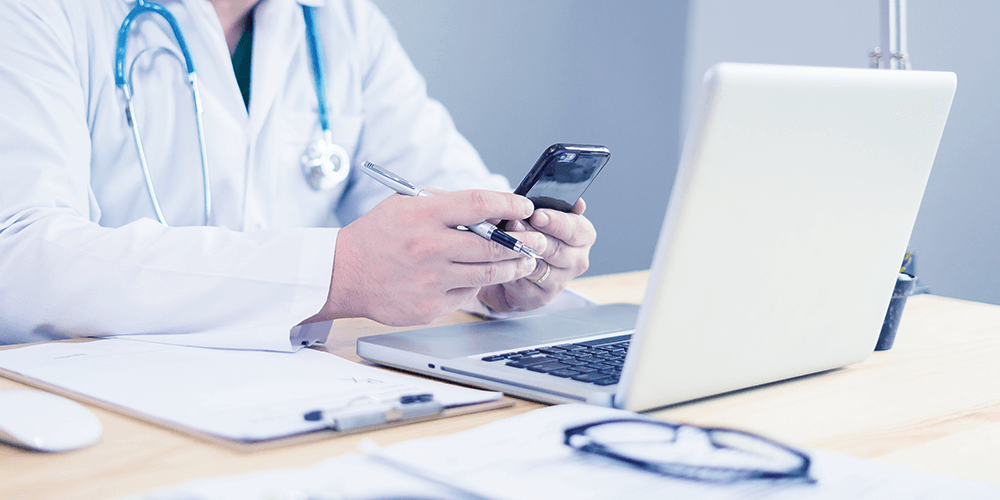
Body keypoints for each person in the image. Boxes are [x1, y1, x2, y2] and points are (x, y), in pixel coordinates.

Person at [0, 0, 596, 350]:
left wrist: (500, 266)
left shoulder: (338, 19)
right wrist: (337, 273)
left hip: (291, 394)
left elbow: (449, 188)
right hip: (89, 409)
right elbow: (19, 255)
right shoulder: (37, 13)